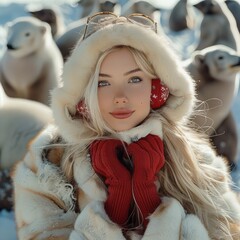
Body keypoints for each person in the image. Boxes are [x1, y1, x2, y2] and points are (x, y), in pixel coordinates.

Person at [12, 12, 240, 240]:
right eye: (103, 82)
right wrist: (114, 210)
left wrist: (149, 202)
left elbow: (228, 231)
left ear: (157, 90)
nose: (120, 97)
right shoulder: (47, 163)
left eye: (134, 79)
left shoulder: (196, 161)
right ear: (83, 93)